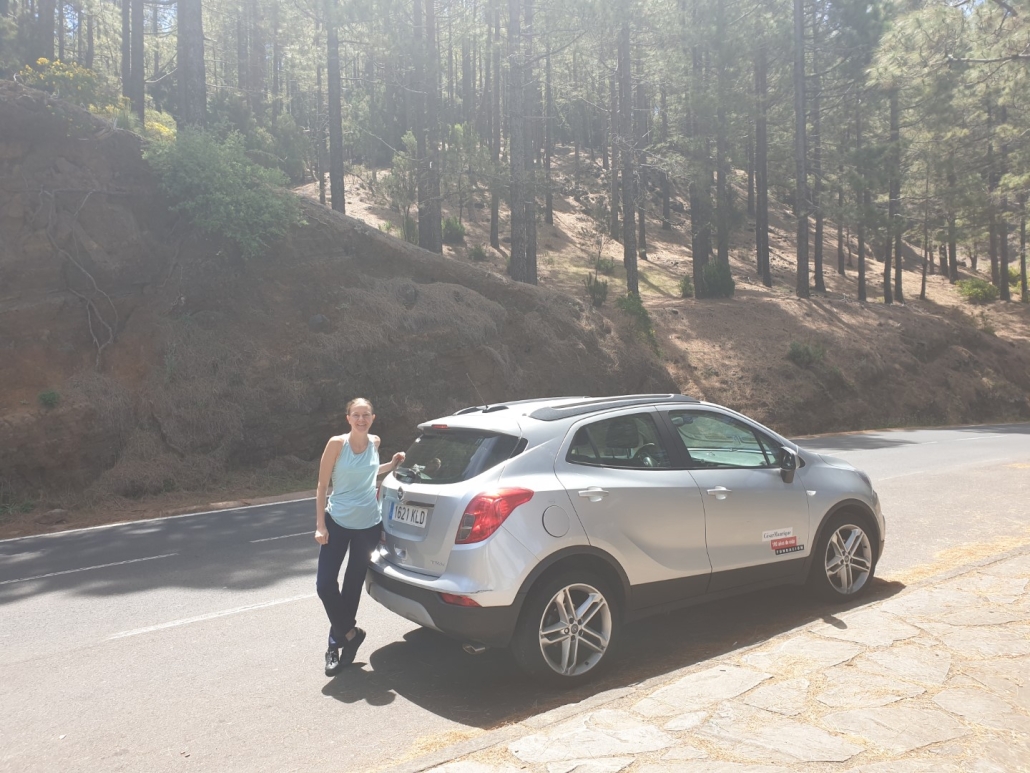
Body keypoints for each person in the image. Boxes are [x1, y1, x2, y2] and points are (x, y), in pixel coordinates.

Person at [315, 397, 404, 676]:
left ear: (373, 418)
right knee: (325, 584)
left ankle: (336, 645)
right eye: (356, 414)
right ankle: (352, 634)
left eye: (366, 415)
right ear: (348, 418)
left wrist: (390, 463)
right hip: (338, 522)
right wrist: (321, 525)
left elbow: (367, 473)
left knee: (353, 585)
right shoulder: (336, 444)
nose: (361, 419)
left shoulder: (375, 443)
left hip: (368, 524)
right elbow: (321, 485)